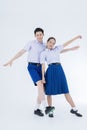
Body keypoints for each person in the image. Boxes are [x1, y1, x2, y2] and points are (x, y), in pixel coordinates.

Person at [3, 28, 55, 117]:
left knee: (41, 89)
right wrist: (11, 60)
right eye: (37, 35)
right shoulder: (31, 43)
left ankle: (36, 109)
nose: (39, 36)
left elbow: (55, 50)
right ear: (35, 36)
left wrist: (69, 49)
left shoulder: (45, 45)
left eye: (40, 34)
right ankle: (46, 107)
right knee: (39, 84)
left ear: (43, 35)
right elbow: (21, 52)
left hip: (41, 67)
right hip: (32, 67)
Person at [40, 36, 83, 118]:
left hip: (59, 70)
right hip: (50, 71)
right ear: (47, 42)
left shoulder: (56, 49)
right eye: (50, 42)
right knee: (49, 92)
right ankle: (50, 110)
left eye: (53, 43)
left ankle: (74, 109)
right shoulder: (43, 53)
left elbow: (67, 43)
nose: (52, 44)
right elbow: (43, 65)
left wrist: (76, 38)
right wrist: (43, 77)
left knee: (65, 90)